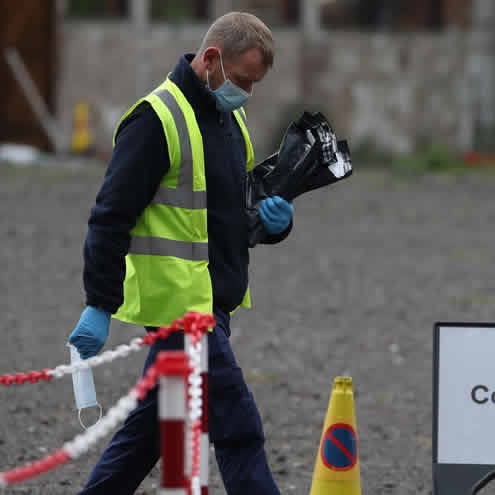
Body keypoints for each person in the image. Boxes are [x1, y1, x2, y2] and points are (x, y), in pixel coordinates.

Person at [67, 12, 290, 495]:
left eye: (254, 84)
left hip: (217, 303)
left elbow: (232, 215)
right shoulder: (154, 119)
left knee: (148, 433)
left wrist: (272, 224)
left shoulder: (232, 118)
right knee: (238, 426)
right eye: (243, 79)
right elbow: (110, 216)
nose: (247, 92)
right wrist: (99, 303)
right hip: (179, 312)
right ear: (211, 59)